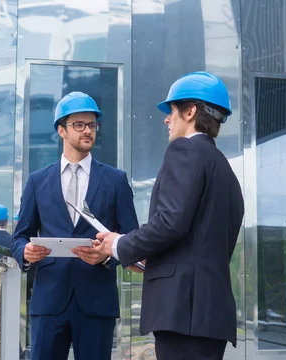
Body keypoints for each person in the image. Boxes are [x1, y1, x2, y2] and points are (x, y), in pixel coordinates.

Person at [97, 72, 245, 360]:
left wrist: (120, 244)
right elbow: (198, 239)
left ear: (190, 112)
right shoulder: (224, 170)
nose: (166, 119)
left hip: (182, 311)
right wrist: (145, 258)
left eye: (172, 111)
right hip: (209, 313)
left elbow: (171, 222)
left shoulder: (184, 150)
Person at [11, 91, 139, 360]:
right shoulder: (37, 181)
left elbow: (131, 239)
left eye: (92, 125)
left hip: (96, 301)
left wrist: (107, 257)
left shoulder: (116, 181)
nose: (87, 131)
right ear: (61, 130)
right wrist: (24, 253)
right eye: (79, 125)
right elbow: (19, 236)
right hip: (49, 299)